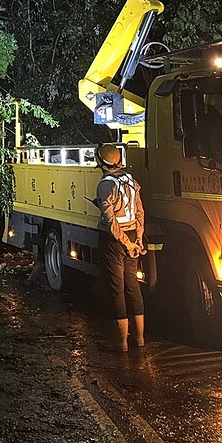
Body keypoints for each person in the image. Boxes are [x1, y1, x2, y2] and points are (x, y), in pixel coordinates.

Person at [95, 142, 146, 351]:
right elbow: (140, 212)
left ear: (101, 162)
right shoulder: (131, 181)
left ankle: (121, 342)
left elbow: (111, 221)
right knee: (133, 286)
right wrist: (138, 241)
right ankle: (140, 339)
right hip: (133, 235)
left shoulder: (105, 185)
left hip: (115, 241)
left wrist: (125, 242)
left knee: (117, 289)